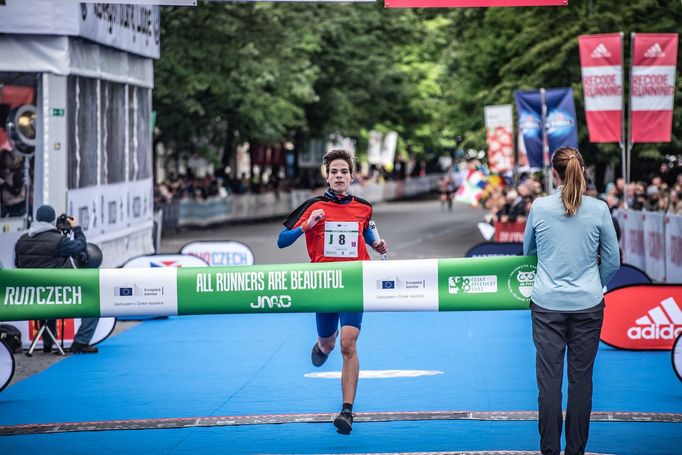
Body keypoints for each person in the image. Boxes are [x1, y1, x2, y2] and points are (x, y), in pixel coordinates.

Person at [277, 149, 388, 435]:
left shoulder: (364, 207)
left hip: (354, 281)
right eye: (334, 172)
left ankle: (347, 412)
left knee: (348, 345)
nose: (339, 176)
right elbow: (281, 241)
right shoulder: (312, 205)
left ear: (352, 176)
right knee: (328, 345)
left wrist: (376, 245)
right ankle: (321, 346)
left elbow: (365, 232)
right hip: (324, 283)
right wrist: (305, 226)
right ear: (327, 176)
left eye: (344, 172)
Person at [523, 147, 620, 455]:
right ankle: (575, 450)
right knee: (581, 382)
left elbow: (528, 254)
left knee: (549, 384)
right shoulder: (600, 208)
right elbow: (614, 260)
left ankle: (549, 449)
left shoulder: (539, 207)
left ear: (554, 173)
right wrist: (595, 283)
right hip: (588, 304)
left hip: (547, 305)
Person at [14, 205, 100, 354]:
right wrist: (77, 228)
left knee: (46, 291)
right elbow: (81, 247)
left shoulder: (21, 241)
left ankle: (48, 343)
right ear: (52, 220)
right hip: (58, 295)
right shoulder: (58, 241)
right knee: (93, 303)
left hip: (32, 296)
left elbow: (17, 264)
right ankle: (81, 342)